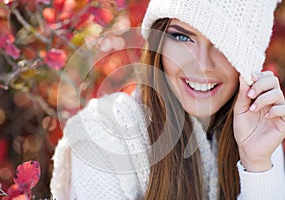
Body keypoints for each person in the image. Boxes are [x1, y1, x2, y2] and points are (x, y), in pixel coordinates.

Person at [50, 0, 285, 199]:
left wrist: (257, 166)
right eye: (182, 37)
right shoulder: (104, 134)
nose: (202, 65)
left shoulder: (261, 135)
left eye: (224, 45)